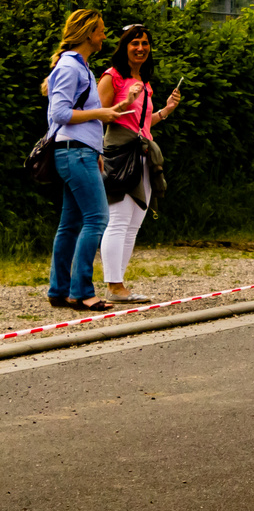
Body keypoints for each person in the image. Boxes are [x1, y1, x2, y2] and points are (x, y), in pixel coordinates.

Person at [42, 10, 135, 312]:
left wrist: (98, 143)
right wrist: (101, 114)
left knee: (71, 223)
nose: (105, 36)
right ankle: (82, 291)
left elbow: (83, 115)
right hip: (74, 152)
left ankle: (59, 291)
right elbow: (60, 114)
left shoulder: (80, 67)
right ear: (87, 34)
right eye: (101, 31)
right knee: (97, 219)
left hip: (79, 152)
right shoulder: (71, 67)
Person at [97, 24, 182, 303]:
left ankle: (119, 285)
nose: (140, 48)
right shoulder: (113, 78)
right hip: (120, 153)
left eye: (145, 43)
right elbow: (99, 116)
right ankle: (113, 285)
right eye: (135, 43)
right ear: (124, 47)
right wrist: (97, 152)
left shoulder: (143, 81)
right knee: (119, 219)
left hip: (144, 153)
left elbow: (142, 123)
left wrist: (166, 111)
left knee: (134, 221)